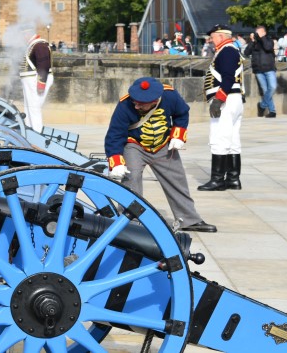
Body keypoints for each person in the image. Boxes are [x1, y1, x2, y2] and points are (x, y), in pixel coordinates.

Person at [105, 76, 217, 232]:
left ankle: (189, 219)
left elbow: (182, 113)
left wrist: (178, 135)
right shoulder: (125, 105)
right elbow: (115, 135)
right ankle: (130, 220)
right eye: (135, 102)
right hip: (135, 144)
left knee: (176, 178)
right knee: (131, 176)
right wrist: (116, 161)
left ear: (155, 100)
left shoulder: (170, 96)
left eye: (141, 104)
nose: (136, 106)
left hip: (163, 143)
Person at [198, 24, 244, 191]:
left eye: (213, 36)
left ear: (222, 36)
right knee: (232, 141)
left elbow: (228, 77)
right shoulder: (229, 50)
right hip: (234, 99)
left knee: (219, 138)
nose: (211, 39)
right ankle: (233, 179)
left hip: (226, 99)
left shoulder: (227, 51)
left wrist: (219, 99)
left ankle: (217, 180)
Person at [19, 31, 53, 133]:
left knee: (34, 108)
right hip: (30, 81)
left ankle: (36, 132)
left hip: (36, 80)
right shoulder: (34, 45)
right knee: (30, 107)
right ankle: (30, 129)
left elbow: (43, 65)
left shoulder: (39, 45)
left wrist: (41, 83)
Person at [251, 25, 277, 118]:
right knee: (266, 90)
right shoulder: (255, 43)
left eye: (260, 32)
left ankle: (262, 105)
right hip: (258, 70)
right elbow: (246, 52)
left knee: (272, 87)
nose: (257, 34)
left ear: (264, 33)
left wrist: (262, 38)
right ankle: (272, 111)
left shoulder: (269, 40)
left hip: (269, 68)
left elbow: (268, 47)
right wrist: (253, 41)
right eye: (256, 32)